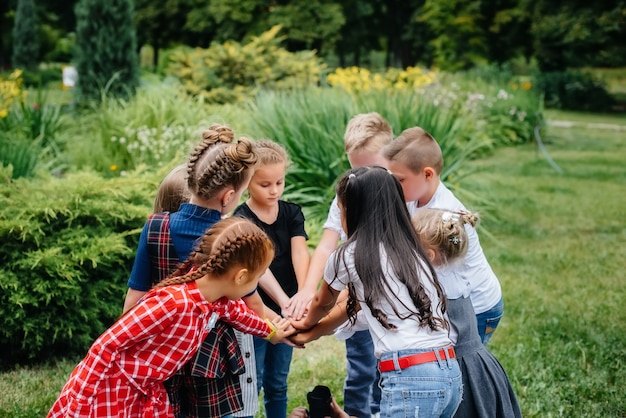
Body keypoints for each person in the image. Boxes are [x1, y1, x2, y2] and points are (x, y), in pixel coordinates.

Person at [48, 217, 294, 418]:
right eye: (259, 274)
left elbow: (240, 314)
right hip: (112, 388)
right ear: (241, 277)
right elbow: (106, 346)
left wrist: (272, 332)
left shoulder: (216, 301)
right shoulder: (172, 303)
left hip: (148, 390)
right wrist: (82, 402)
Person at [123, 124, 276, 418]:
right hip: (212, 367)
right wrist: (285, 328)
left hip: (162, 360)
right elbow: (253, 306)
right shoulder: (231, 236)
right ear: (227, 196)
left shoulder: (155, 226)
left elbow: (134, 301)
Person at [292, 166, 462, 418]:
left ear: (352, 212)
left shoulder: (349, 254)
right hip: (448, 371)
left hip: (409, 375)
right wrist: (310, 335)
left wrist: (303, 323)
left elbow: (323, 303)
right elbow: (350, 307)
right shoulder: (411, 251)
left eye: (340, 211)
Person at [286, 112, 392, 418]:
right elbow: (326, 245)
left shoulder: (398, 196)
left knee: (385, 375)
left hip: (390, 309)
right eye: (354, 168)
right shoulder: (348, 195)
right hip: (357, 301)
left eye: (371, 168)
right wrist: (307, 290)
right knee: (361, 369)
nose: (361, 178)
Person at [383, 127, 504, 345]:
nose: (395, 186)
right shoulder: (414, 196)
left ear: (427, 174)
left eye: (400, 180)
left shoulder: (442, 214)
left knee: (464, 365)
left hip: (475, 307)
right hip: (452, 300)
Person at [412, 208, 522, 418]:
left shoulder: (433, 286)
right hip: (481, 366)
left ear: (428, 255)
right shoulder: (457, 274)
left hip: (460, 371)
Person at [234, 140, 310, 417]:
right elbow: (258, 268)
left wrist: (302, 294)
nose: (274, 190)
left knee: (278, 381)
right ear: (247, 182)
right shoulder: (241, 219)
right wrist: (284, 300)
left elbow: (300, 252)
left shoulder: (291, 212)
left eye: (280, 182)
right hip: (254, 311)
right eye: (265, 184)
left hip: (287, 309)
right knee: (252, 381)